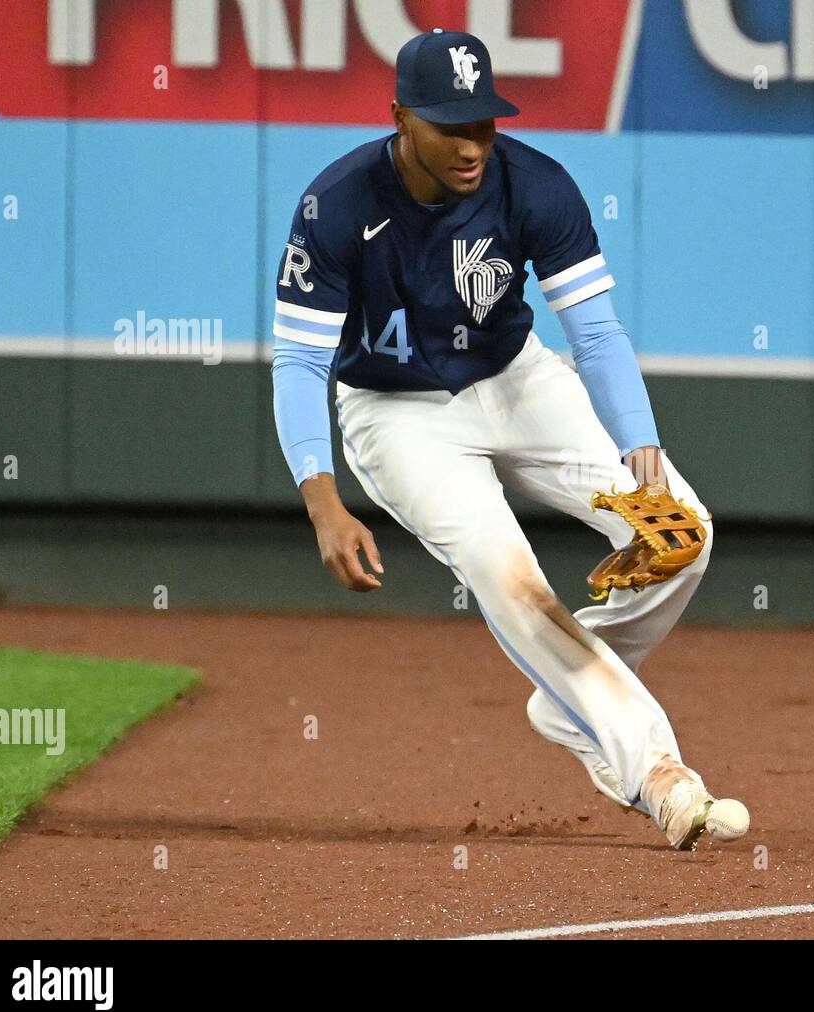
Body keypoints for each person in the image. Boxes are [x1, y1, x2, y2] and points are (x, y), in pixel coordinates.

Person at [271, 29, 748, 850]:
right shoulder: (337, 204)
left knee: (684, 535)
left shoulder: (535, 184)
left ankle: (571, 697)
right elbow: (298, 361)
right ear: (400, 118)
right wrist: (323, 502)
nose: (472, 144)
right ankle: (658, 773)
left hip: (515, 378)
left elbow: (595, 336)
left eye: (483, 122)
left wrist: (642, 449)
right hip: (396, 413)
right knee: (511, 579)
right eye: (450, 125)